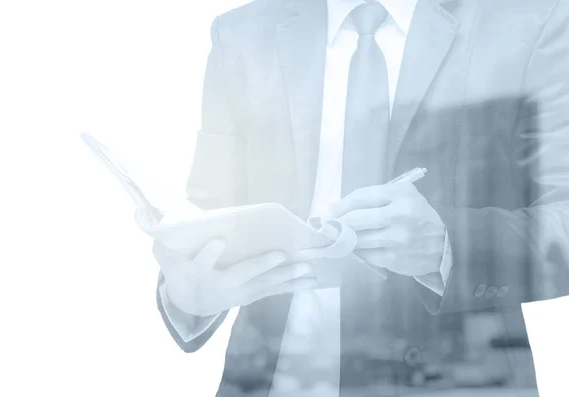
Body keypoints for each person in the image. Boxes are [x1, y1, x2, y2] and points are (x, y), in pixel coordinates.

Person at [151, 0, 569, 395]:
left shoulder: (533, 21)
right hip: (274, 381)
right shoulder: (242, 33)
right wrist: (187, 298)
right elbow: (209, 216)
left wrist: (446, 243)